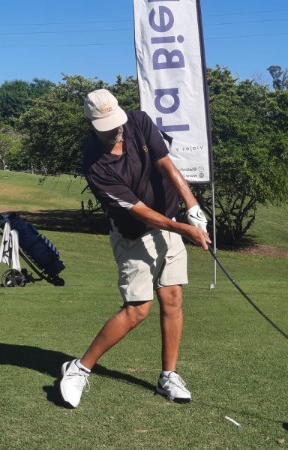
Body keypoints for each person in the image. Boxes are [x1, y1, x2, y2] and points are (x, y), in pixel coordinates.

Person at [59, 89, 211, 408]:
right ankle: (79, 369)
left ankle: (168, 376)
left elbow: (166, 164)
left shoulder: (138, 122)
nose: (117, 130)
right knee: (137, 309)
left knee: (173, 296)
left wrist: (193, 205)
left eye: (117, 122)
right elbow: (139, 212)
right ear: (91, 125)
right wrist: (184, 229)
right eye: (107, 127)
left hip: (169, 221)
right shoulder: (95, 165)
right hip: (134, 235)